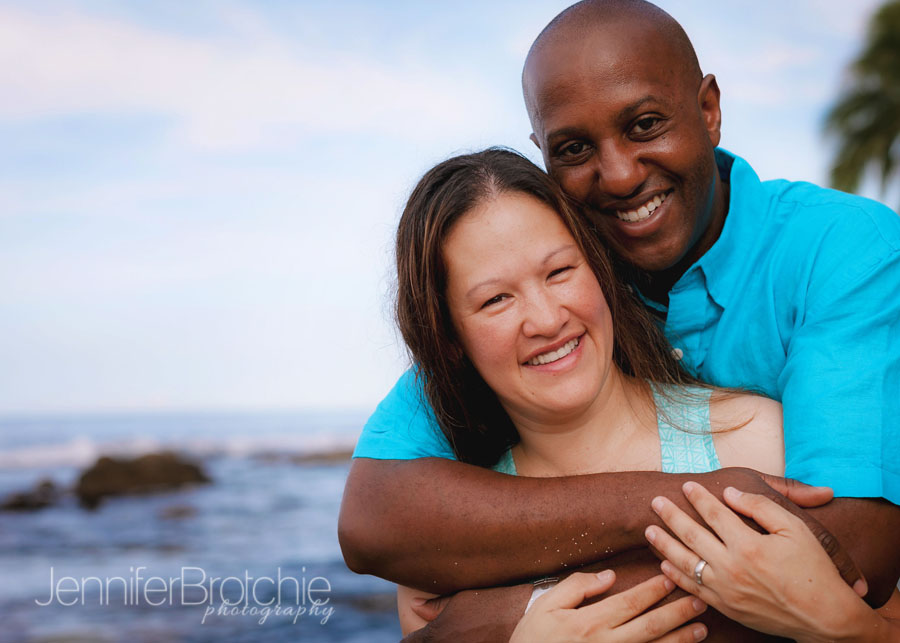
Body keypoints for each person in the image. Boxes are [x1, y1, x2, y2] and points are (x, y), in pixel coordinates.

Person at [338, 0, 900, 638]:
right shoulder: (567, 265)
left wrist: (499, 618)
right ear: (545, 156)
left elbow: (849, 557)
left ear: (709, 110)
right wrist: (682, 499)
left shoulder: (843, 250)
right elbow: (375, 516)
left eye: (646, 125)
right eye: (575, 148)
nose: (621, 175)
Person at [386, 147, 898, 641]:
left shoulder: (759, 442)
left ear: (601, 270)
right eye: (496, 299)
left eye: (560, 272)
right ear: (448, 339)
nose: (545, 320)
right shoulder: (447, 550)